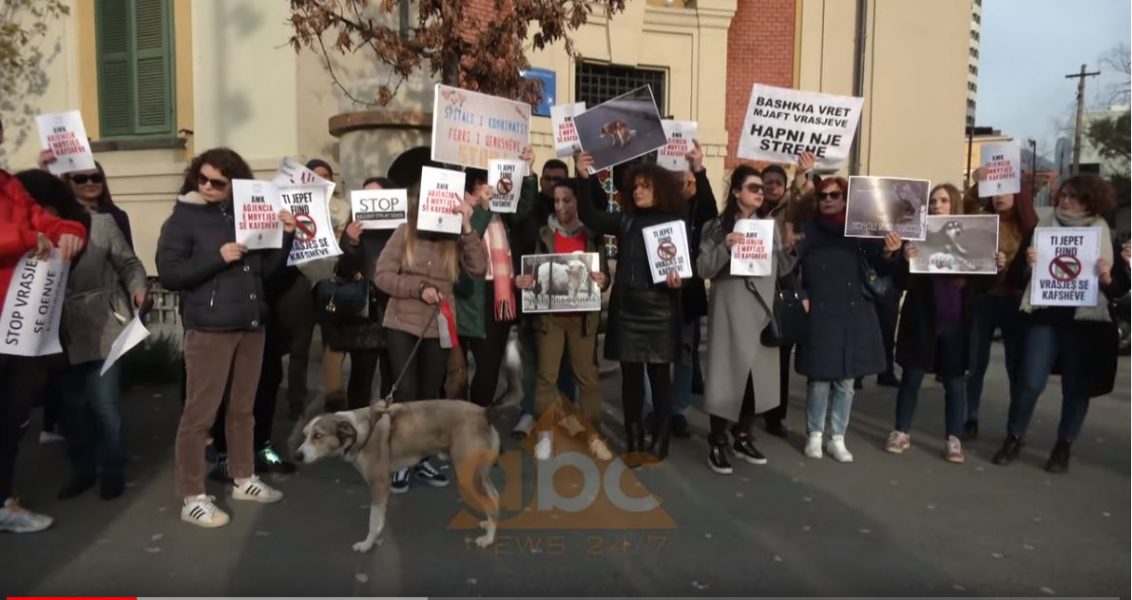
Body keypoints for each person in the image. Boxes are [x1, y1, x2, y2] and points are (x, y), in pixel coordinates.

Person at [156, 147, 297, 528]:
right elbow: (168, 273)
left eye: (217, 181)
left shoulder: (247, 213)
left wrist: (284, 237)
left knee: (242, 410)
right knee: (199, 415)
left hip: (250, 324)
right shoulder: (183, 218)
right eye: (201, 178)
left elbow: (265, 271)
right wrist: (217, 257)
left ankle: (243, 477)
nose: (206, 186)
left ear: (234, 183)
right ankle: (192, 496)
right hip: (209, 328)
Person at [16, 169, 147, 500]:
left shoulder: (100, 223)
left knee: (105, 405)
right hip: (58, 334)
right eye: (79, 178)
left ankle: (112, 470)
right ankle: (83, 470)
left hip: (103, 325)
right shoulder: (29, 232)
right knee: (73, 410)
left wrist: (139, 290)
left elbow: (129, 264)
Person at [993, 175, 1126, 473]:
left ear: (1090, 202)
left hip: (1086, 325)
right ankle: (1014, 436)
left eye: (1074, 197)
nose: (1065, 201)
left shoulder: (1104, 235)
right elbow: (1014, 279)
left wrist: (1106, 278)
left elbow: (1119, 287)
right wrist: (1028, 266)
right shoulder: (1040, 230)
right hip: (1045, 318)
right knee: (1029, 382)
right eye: (1063, 195)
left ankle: (1064, 445)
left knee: (1076, 388)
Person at [0, 116, 88, 533]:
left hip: (18, 326)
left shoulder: (9, 184)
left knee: (12, 419)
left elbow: (44, 219)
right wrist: (25, 238)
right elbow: (26, 231)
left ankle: (3, 502)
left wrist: (69, 229)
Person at [575, 152, 686, 465]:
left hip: (661, 309)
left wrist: (679, 283)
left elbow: (684, 269)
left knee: (661, 378)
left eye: (645, 186)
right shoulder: (625, 219)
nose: (638, 191)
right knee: (632, 380)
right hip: (628, 310)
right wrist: (584, 179)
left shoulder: (675, 222)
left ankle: (660, 438)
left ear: (660, 190)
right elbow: (591, 216)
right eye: (635, 186)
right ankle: (635, 438)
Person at [374, 181, 486, 492]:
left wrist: (466, 225)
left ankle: (420, 457)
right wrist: (418, 289)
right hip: (401, 322)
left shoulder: (455, 237)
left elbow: (478, 268)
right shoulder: (405, 231)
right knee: (406, 392)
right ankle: (401, 460)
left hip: (438, 325)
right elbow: (382, 275)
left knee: (429, 394)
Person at [884, 184, 1006, 463]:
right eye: (933, 201)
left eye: (943, 200)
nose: (938, 205)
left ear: (955, 206)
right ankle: (901, 431)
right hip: (923, 321)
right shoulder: (916, 237)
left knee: (954, 383)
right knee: (912, 378)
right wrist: (905, 260)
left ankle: (954, 438)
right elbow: (900, 283)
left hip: (958, 324)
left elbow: (985, 285)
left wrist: (997, 266)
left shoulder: (974, 239)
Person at [698, 166, 797, 475]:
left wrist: (791, 248)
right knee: (725, 378)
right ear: (737, 192)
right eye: (752, 187)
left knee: (755, 380)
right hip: (730, 311)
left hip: (761, 309)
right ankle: (717, 440)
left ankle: (743, 434)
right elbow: (702, 268)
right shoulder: (715, 227)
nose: (759, 192)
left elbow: (781, 268)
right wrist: (725, 247)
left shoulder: (768, 227)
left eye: (760, 188)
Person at [795, 176, 897, 462]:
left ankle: (836, 437)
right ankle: (814, 434)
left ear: (845, 199)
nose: (827, 199)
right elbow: (791, 266)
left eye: (834, 194)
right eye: (822, 195)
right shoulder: (808, 230)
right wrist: (801, 294)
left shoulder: (862, 230)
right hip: (820, 310)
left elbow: (880, 264)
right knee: (819, 377)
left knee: (846, 380)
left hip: (854, 311)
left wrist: (890, 251)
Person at [514, 179, 612, 461]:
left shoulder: (592, 235)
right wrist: (524, 281)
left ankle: (594, 436)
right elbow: (534, 274)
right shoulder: (544, 233)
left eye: (567, 200)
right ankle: (545, 435)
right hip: (550, 319)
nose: (560, 206)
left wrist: (604, 280)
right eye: (556, 201)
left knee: (588, 379)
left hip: (583, 319)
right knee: (547, 377)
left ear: (578, 201)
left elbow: (603, 275)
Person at [451, 147, 537, 407]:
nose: (489, 189)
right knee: (456, 373)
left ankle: (479, 419)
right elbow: (469, 238)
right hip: (467, 295)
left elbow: (523, 210)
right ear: (473, 186)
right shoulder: (458, 210)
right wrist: (484, 209)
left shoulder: (498, 213)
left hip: (497, 296)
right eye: (483, 184)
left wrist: (528, 171)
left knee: (489, 369)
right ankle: (456, 424)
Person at [961, 172, 1038, 440]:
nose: (999, 196)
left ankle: (1015, 427)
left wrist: (1014, 265)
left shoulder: (1028, 228)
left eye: (1005, 191)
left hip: (1014, 301)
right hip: (982, 298)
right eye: (994, 190)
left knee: (1015, 366)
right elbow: (966, 206)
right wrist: (979, 181)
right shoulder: (982, 219)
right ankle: (969, 416)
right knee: (975, 362)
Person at [513, 159, 576, 437]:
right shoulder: (529, 208)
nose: (552, 183)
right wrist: (527, 171)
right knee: (531, 361)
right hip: (533, 296)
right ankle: (529, 413)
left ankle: (564, 415)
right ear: (540, 181)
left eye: (559, 179)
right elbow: (517, 220)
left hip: (568, 300)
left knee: (566, 364)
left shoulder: (575, 208)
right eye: (548, 178)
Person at [758, 154, 816, 437]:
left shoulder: (790, 211)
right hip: (754, 287)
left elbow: (802, 201)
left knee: (779, 354)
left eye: (776, 183)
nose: (770, 187)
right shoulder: (751, 210)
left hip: (782, 285)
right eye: (766, 182)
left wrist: (801, 175)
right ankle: (752, 407)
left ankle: (774, 415)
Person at [667, 140, 717, 440]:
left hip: (687, 296)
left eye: (690, 181)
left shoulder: (700, 213)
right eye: (680, 182)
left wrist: (698, 168)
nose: (686, 186)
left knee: (685, 355)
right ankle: (656, 407)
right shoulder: (659, 211)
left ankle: (680, 410)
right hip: (657, 295)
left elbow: (711, 208)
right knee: (655, 357)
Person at [333, 176, 398, 408]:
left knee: (393, 376)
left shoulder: (401, 229)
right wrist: (350, 243)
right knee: (361, 376)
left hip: (394, 308)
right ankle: (356, 427)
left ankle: (388, 426)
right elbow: (344, 269)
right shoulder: (352, 231)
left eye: (375, 195)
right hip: (364, 313)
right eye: (364, 195)